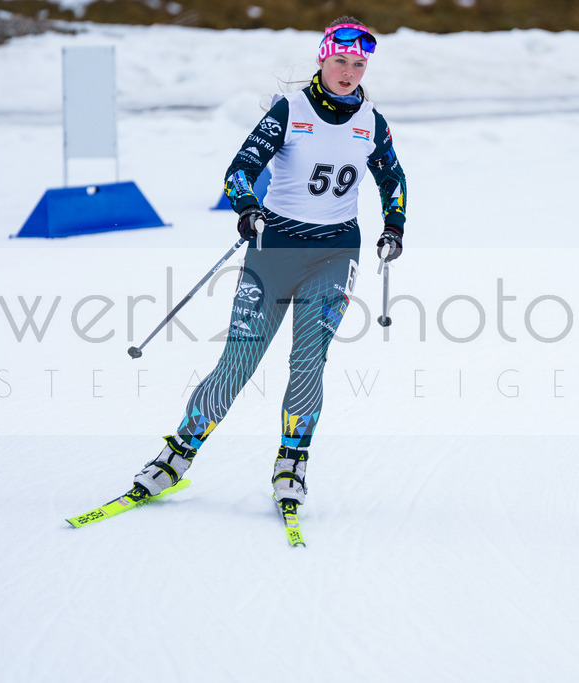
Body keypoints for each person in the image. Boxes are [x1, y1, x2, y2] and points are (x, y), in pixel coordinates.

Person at [131, 17, 407, 511]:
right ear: (322, 58)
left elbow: (393, 179)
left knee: (308, 360)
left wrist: (394, 227)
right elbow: (240, 169)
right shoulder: (290, 110)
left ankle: (292, 462)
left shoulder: (372, 122)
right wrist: (247, 207)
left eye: (358, 64)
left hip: (336, 252)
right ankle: (177, 455)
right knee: (239, 360)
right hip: (275, 248)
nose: (349, 72)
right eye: (341, 61)